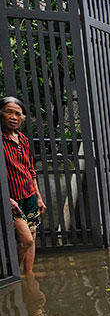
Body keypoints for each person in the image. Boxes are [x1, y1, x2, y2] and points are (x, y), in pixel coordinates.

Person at [2, 96, 46, 276]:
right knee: (25, 240)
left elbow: (30, 170)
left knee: (32, 234)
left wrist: (39, 197)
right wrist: (6, 198)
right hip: (11, 198)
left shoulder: (22, 139)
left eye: (18, 114)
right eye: (9, 112)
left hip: (29, 195)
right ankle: (13, 275)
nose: (14, 117)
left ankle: (28, 273)